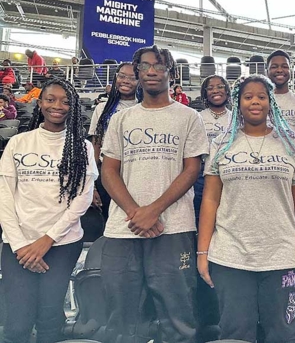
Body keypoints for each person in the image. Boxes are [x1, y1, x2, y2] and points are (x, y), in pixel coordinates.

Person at [197, 75, 295, 343]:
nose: (255, 102)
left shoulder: (291, 144)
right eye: (248, 96)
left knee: (283, 333)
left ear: (270, 102)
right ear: (238, 103)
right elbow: (210, 200)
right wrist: (203, 251)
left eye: (261, 96)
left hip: (283, 254)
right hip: (231, 255)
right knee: (235, 333)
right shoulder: (221, 144)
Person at [100, 45, 208, 343]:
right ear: (136, 73)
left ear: (170, 73)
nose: (151, 71)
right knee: (121, 319)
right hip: (123, 229)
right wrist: (138, 212)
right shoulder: (122, 119)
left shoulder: (188, 117)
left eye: (159, 66)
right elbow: (109, 172)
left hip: (174, 228)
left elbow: (191, 170)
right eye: (145, 66)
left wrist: (153, 210)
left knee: (178, 317)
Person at [0, 78, 98, 343]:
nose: (58, 106)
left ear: (74, 106)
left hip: (62, 243)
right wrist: (21, 246)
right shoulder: (18, 143)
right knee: (17, 322)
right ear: (40, 102)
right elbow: (5, 197)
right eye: (51, 99)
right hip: (18, 245)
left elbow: (81, 199)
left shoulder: (83, 147)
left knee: (49, 317)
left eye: (66, 101)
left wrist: (47, 240)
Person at [194, 74, 232, 342]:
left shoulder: (236, 117)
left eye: (220, 86)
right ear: (204, 93)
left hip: (230, 183)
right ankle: (206, 310)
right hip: (200, 183)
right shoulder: (197, 118)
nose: (216, 90)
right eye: (211, 87)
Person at [89, 63, 139, 220]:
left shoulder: (144, 107)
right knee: (110, 218)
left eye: (132, 78)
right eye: (122, 76)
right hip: (108, 172)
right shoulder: (102, 108)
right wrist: (92, 183)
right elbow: (96, 144)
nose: (126, 81)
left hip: (136, 170)